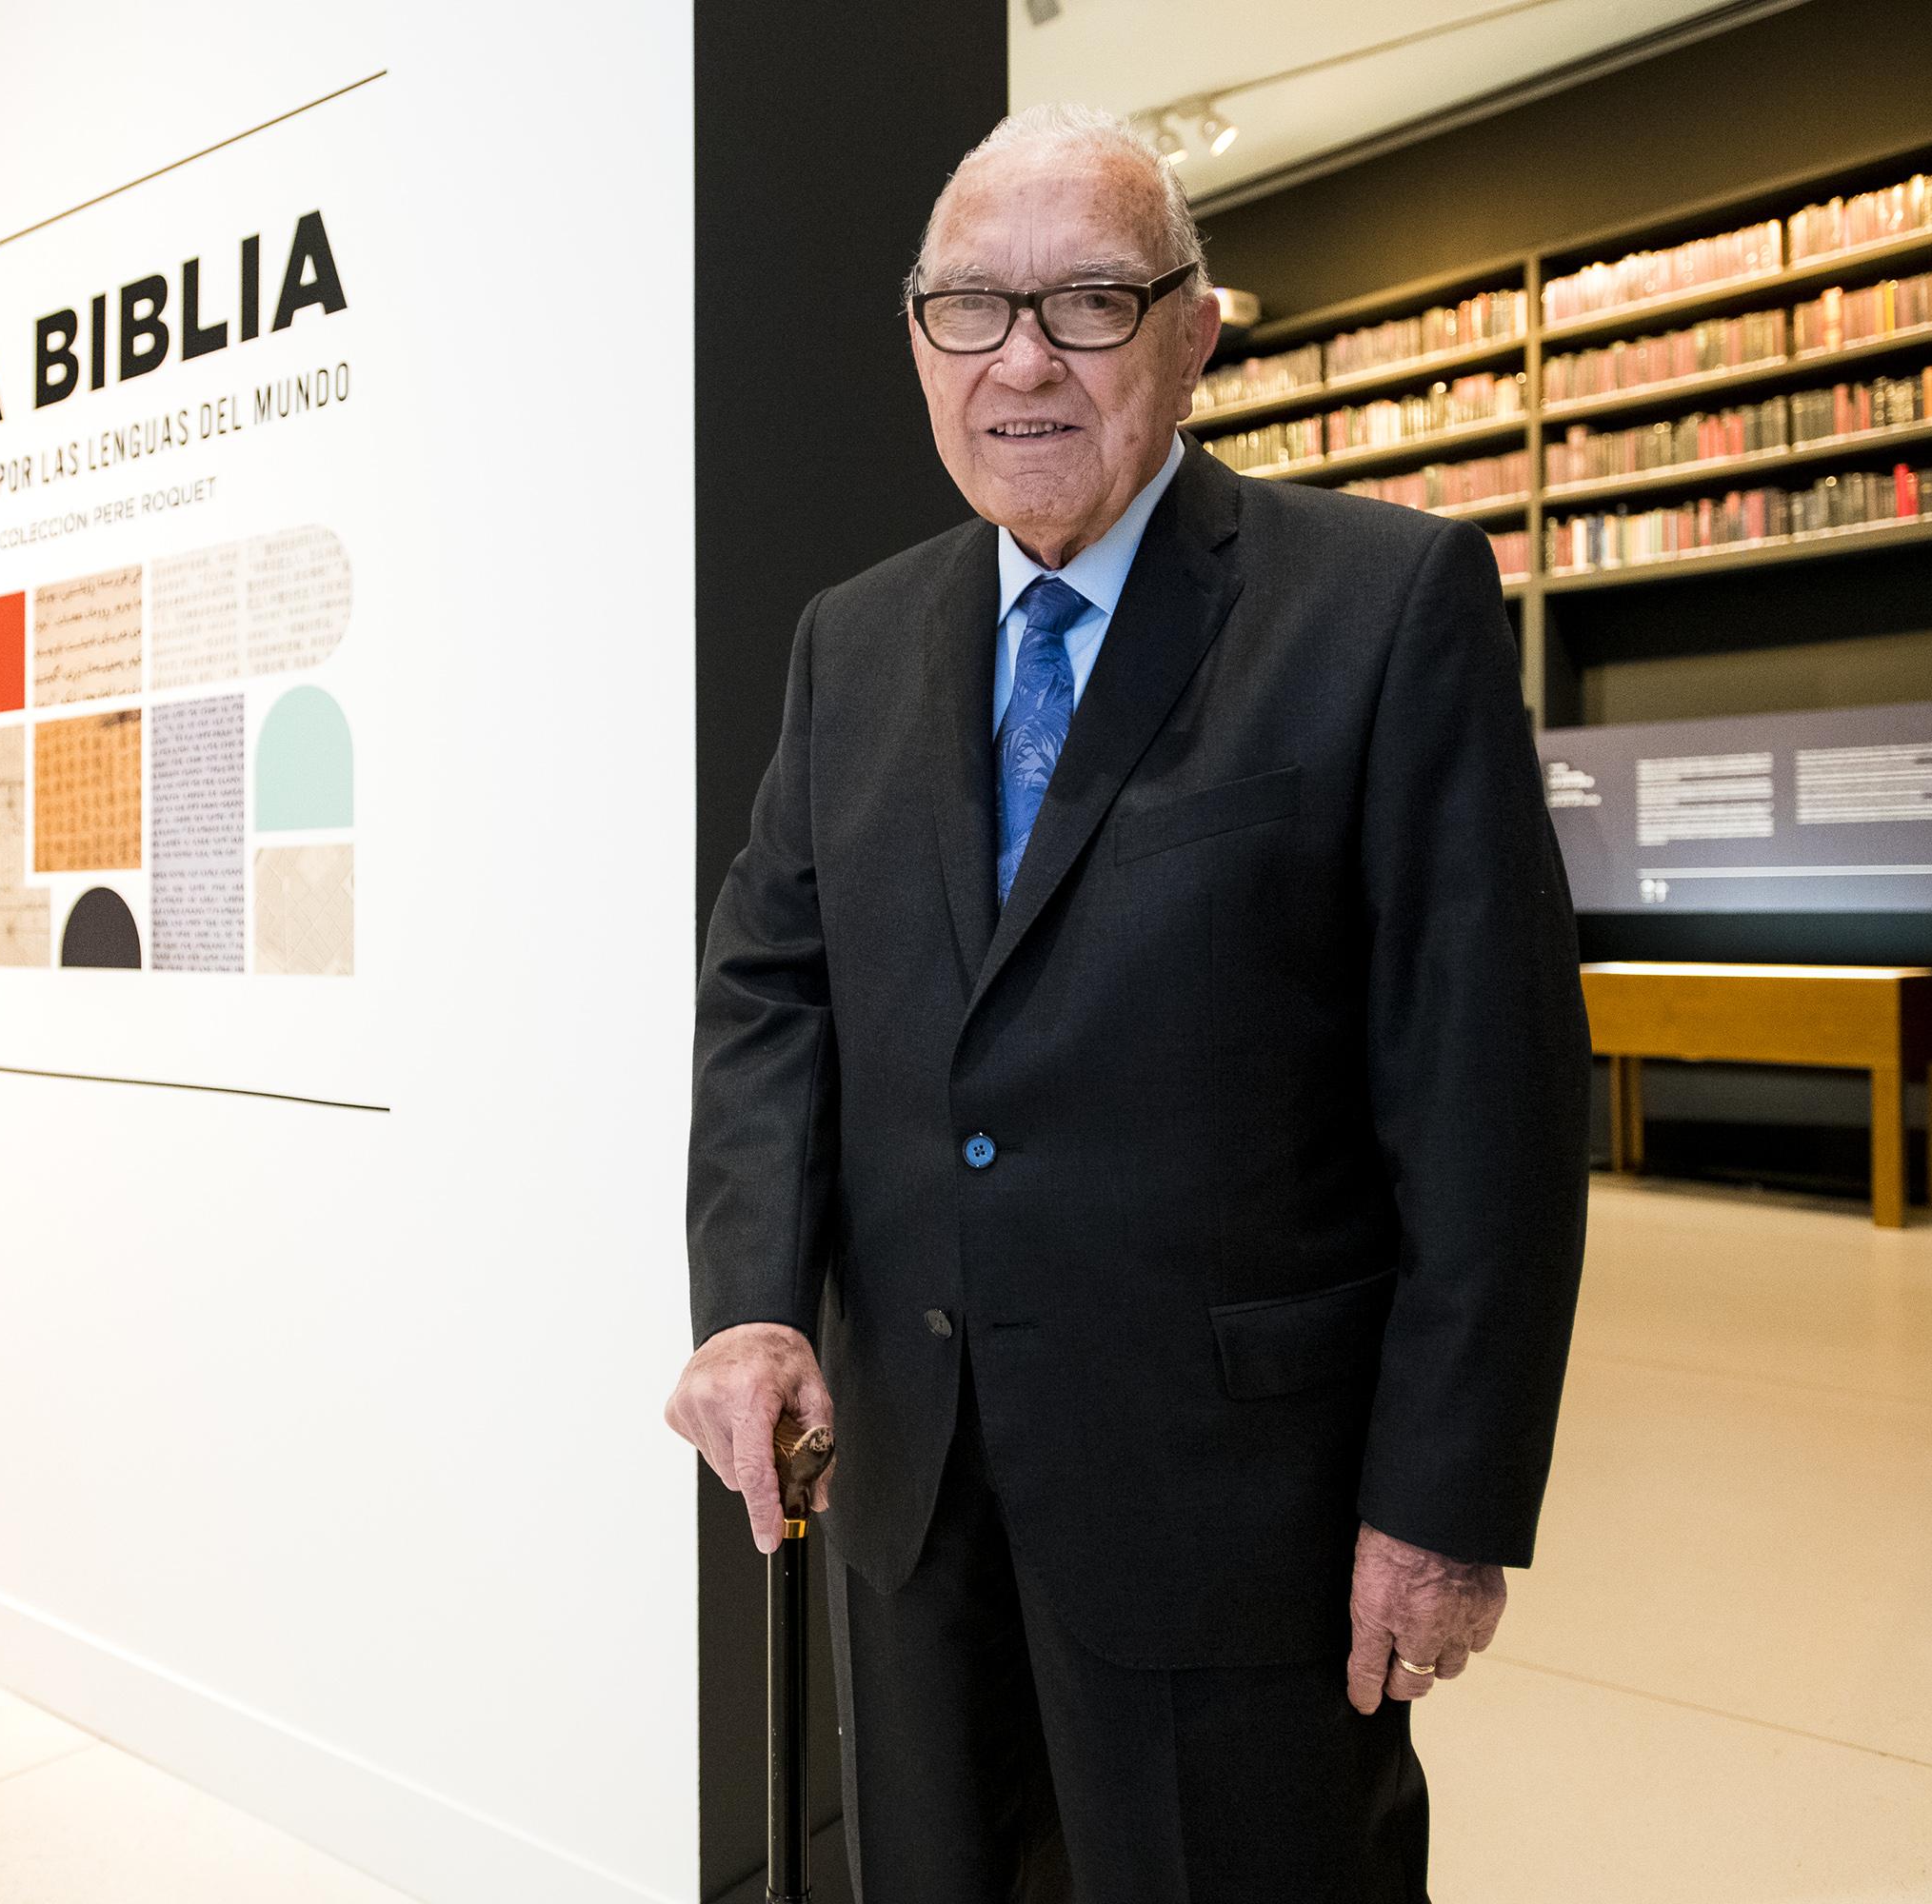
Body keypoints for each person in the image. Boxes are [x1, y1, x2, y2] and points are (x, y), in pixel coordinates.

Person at [667, 103, 1590, 1899]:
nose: (1022, 360)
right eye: (969, 309)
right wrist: (754, 1303)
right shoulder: (849, 644)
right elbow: (771, 991)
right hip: (916, 1496)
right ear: (915, 339)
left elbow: (1490, 1092)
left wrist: (1445, 1504)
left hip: (1238, 1519)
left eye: (1089, 303)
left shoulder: (1384, 608)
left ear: (1195, 329)